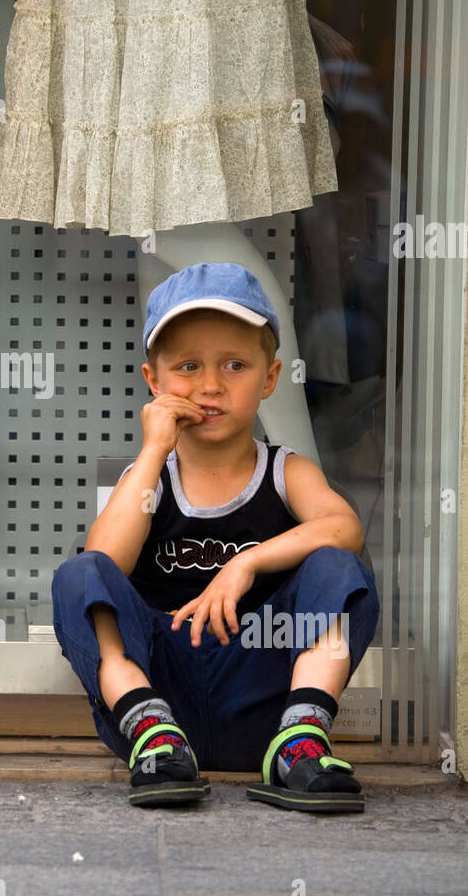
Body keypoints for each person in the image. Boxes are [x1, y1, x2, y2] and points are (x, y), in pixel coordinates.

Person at [51, 262, 379, 812]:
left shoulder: (285, 471)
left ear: (269, 378)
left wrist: (246, 564)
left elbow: (344, 527)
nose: (210, 385)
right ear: (153, 381)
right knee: (78, 575)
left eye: (235, 365)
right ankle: (151, 733)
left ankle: (300, 740)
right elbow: (104, 562)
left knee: (340, 567)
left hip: (264, 695)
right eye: (187, 367)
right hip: (161, 694)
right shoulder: (148, 475)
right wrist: (153, 451)